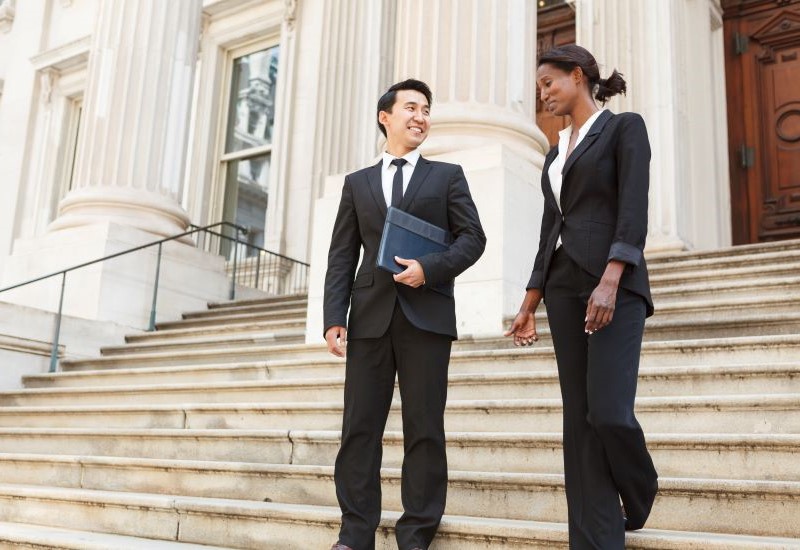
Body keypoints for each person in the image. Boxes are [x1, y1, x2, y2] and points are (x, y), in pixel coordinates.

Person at [505, 45, 658, 549]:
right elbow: (551, 226)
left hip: (612, 284)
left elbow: (632, 208)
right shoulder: (554, 151)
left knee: (608, 412)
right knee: (578, 419)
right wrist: (530, 300)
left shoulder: (623, 128)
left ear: (577, 76)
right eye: (538, 88)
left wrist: (613, 277)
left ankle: (639, 492)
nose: (542, 94)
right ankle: (593, 539)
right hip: (564, 287)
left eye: (549, 83)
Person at [323, 79, 486, 550]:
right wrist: (335, 316)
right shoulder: (358, 184)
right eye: (411, 107)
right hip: (369, 317)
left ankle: (415, 535)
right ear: (386, 117)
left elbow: (473, 239)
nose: (421, 116)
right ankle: (355, 534)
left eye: (427, 110)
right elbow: (341, 256)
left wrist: (428, 269)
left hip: (427, 317)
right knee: (359, 430)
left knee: (424, 430)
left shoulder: (448, 176)